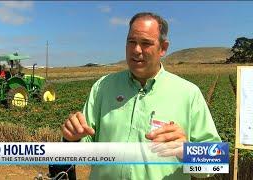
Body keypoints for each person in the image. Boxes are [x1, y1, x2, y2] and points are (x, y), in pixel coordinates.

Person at [61, 12, 221, 180]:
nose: (136, 50)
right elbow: (85, 148)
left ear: (163, 48)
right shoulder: (103, 87)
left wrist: (187, 151)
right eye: (131, 42)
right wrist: (72, 140)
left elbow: (216, 160)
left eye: (146, 43)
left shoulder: (188, 93)